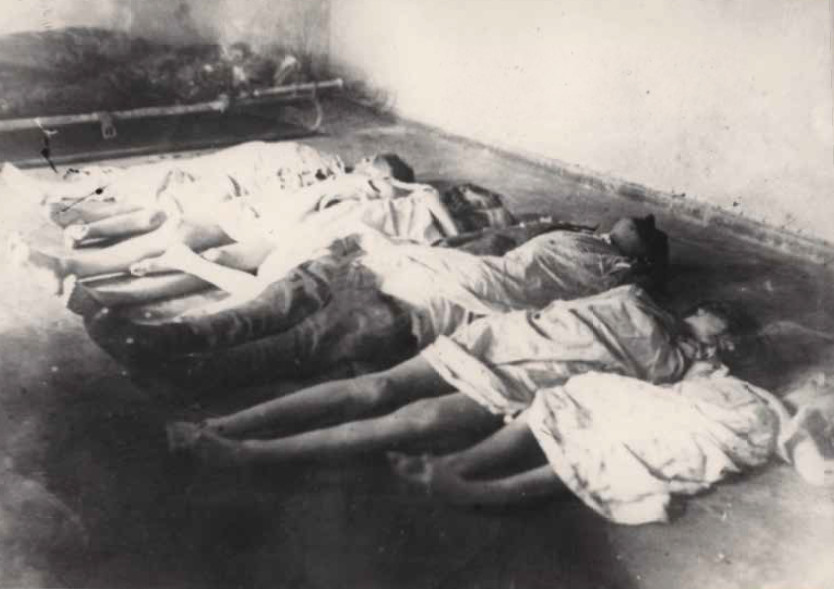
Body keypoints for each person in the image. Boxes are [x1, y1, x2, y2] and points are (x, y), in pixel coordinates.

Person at [164, 288, 742, 467]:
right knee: (375, 388)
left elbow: (682, 393)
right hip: (499, 344)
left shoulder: (678, 365)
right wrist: (688, 355)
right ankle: (222, 423)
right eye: (717, 329)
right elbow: (636, 338)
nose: (715, 342)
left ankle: (247, 454)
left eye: (724, 344)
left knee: (405, 424)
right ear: (696, 310)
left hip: (528, 385)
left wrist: (703, 359)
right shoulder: (638, 301)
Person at [86, 215, 668, 383]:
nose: (638, 220)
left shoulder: (612, 275)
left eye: (642, 231)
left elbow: (519, 286)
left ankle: (179, 369)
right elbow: (497, 250)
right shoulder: (578, 234)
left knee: (300, 341)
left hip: (437, 297)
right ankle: (162, 338)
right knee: (278, 302)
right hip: (428, 269)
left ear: (640, 258)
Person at [389, 362, 790, 525]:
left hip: (699, 430)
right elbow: (673, 386)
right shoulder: (725, 374)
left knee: (613, 453)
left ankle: (481, 493)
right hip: (663, 404)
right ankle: (457, 462)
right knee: (572, 394)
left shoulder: (782, 422)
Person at [7, 155, 452, 295]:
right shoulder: (337, 174)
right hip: (261, 212)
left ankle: (103, 288)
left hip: (283, 233)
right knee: (174, 231)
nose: (367, 164)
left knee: (216, 258)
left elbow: (424, 204)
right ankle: (69, 267)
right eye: (370, 163)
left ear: (389, 180)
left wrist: (390, 186)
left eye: (377, 168)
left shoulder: (383, 194)